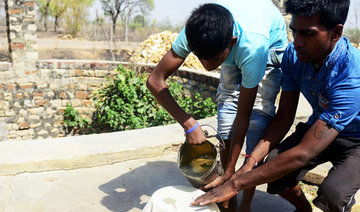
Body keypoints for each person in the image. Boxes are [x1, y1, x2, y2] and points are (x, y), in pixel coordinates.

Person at [191, 0, 360, 211]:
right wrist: (250, 162)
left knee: (333, 194)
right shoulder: (293, 57)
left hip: (356, 140)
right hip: (320, 125)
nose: (297, 42)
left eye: (307, 34)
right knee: (274, 167)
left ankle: (343, 202)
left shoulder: (351, 76)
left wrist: (236, 183)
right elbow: (284, 117)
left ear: (335, 33)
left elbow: (303, 153)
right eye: (295, 32)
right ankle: (304, 209)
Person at [146, 0, 287, 211]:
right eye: (199, 57)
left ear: (232, 41)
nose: (207, 66)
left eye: (213, 59)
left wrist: (232, 173)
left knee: (257, 127)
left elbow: (244, 115)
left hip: (267, 50)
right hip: (233, 46)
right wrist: (190, 125)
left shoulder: (253, 47)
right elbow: (154, 80)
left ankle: (245, 203)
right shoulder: (197, 33)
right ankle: (228, 200)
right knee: (225, 125)